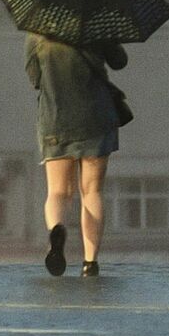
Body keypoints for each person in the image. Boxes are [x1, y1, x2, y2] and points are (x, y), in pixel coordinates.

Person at [27, 34, 128, 278]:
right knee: (91, 191)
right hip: (96, 117)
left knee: (58, 191)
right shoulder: (97, 23)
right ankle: (90, 262)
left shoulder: (37, 30)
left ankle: (56, 232)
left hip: (55, 118)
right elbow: (119, 60)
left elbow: (34, 78)